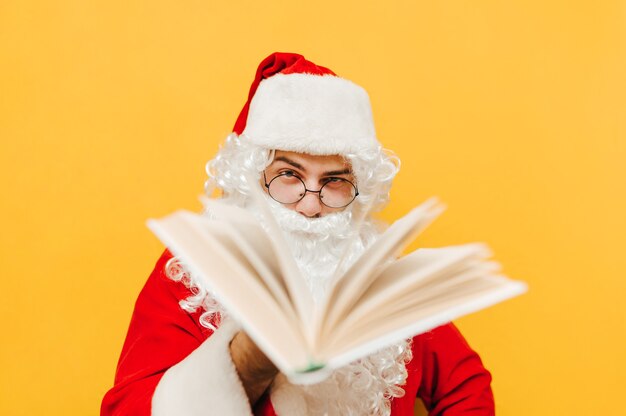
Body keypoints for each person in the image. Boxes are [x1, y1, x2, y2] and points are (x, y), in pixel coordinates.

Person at [101, 52, 495, 416]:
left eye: (335, 180)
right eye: (288, 175)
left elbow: (467, 384)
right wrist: (246, 360)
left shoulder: (379, 275)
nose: (310, 206)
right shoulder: (190, 274)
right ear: (253, 178)